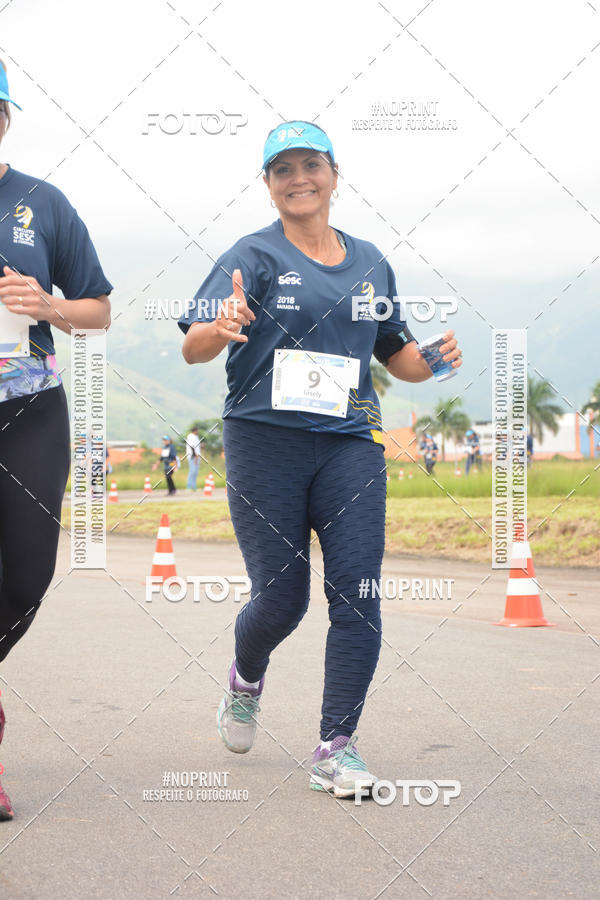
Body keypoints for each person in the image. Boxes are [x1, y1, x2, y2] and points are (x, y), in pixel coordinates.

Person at [178, 120, 463, 797]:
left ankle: (337, 747)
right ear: (270, 185)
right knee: (282, 600)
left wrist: (431, 361)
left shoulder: (370, 261)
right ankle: (246, 677)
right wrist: (218, 330)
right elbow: (193, 343)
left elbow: (396, 354)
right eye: (284, 170)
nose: (299, 179)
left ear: (334, 174)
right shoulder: (251, 253)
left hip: (349, 443)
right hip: (264, 441)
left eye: (311, 165)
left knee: (358, 593)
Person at [0, 61, 112, 820]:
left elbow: (99, 309)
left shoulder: (42, 202)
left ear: (5, 115)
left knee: (27, 575)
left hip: (28, 405)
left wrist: (48, 302)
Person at [185, 425, 201, 490]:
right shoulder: (191, 436)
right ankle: (189, 486)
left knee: (195, 472)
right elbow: (192, 447)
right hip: (193, 457)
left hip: (196, 456)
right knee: (192, 471)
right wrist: (195, 457)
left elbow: (196, 447)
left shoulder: (195, 437)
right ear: (195, 430)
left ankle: (194, 487)